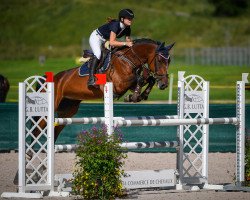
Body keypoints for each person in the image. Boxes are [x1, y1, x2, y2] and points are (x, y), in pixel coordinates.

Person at [88, 9, 134, 87]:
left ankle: (102, 80)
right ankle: (91, 79)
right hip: (96, 37)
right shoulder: (115, 25)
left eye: (131, 19)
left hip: (105, 40)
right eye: (128, 18)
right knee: (98, 54)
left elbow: (129, 42)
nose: (131, 20)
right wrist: (125, 43)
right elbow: (112, 42)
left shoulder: (127, 28)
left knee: (110, 56)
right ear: (122, 19)